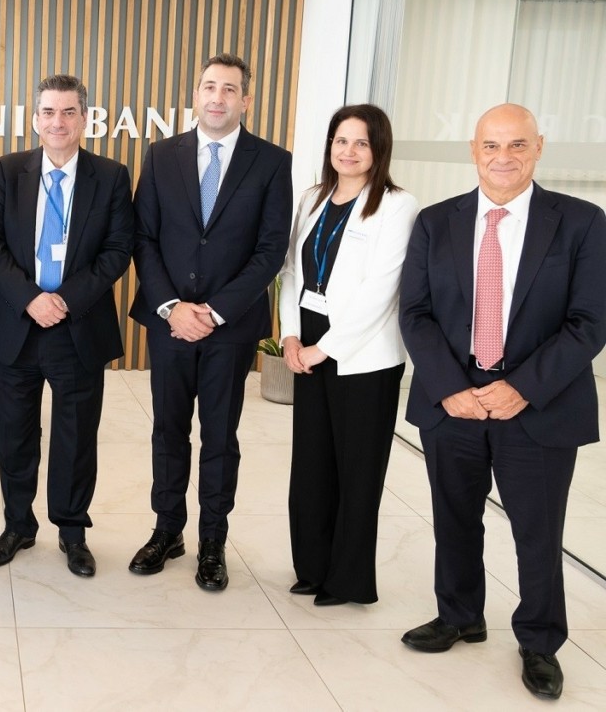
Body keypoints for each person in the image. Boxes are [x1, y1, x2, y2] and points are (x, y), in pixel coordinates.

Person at [399, 103, 606, 701]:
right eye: (491, 145)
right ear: (473, 150)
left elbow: (590, 321)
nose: (503, 157)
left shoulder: (581, 222)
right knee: (454, 517)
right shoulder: (436, 221)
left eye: (517, 144)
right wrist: (450, 388)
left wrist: (523, 388)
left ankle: (539, 643)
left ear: (538, 147)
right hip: (454, 401)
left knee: (537, 531)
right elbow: (415, 313)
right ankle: (460, 615)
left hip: (538, 404)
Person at [129, 52, 292, 590]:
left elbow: (270, 250)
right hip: (170, 324)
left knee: (220, 436)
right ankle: (167, 531)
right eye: (209, 86)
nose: (217, 97)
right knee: (168, 430)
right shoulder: (161, 155)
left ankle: (213, 543)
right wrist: (171, 307)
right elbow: (144, 238)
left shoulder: (272, 162)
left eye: (229, 89)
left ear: (246, 100)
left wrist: (216, 311)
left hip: (231, 327)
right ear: (195, 95)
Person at [0, 74, 134, 578]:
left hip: (77, 326)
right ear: (35, 118)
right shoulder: (8, 170)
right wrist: (30, 299)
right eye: (48, 112)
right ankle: (17, 525)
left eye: (68, 112)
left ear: (85, 119)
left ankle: (72, 531)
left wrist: (63, 300)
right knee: (15, 435)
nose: (57, 122)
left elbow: (117, 251)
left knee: (75, 436)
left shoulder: (111, 176)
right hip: (18, 326)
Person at [278, 104, 419, 606]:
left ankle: (347, 580)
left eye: (362, 142)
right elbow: (292, 271)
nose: (350, 151)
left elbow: (382, 289)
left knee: (357, 471)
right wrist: (290, 337)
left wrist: (325, 348)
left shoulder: (398, 205)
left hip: (362, 356)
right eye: (341, 140)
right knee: (312, 464)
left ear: (379, 149)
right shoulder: (313, 197)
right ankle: (312, 567)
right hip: (308, 343)